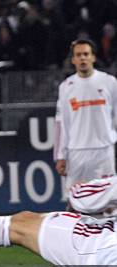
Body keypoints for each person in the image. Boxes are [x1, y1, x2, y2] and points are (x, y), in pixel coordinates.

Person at [54, 39, 117, 191]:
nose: (83, 58)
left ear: (93, 57)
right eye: (78, 55)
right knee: (75, 200)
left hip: (104, 151)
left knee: (109, 202)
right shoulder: (66, 87)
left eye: (86, 54)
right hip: (77, 152)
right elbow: (62, 122)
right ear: (73, 60)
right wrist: (60, 156)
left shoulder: (109, 82)